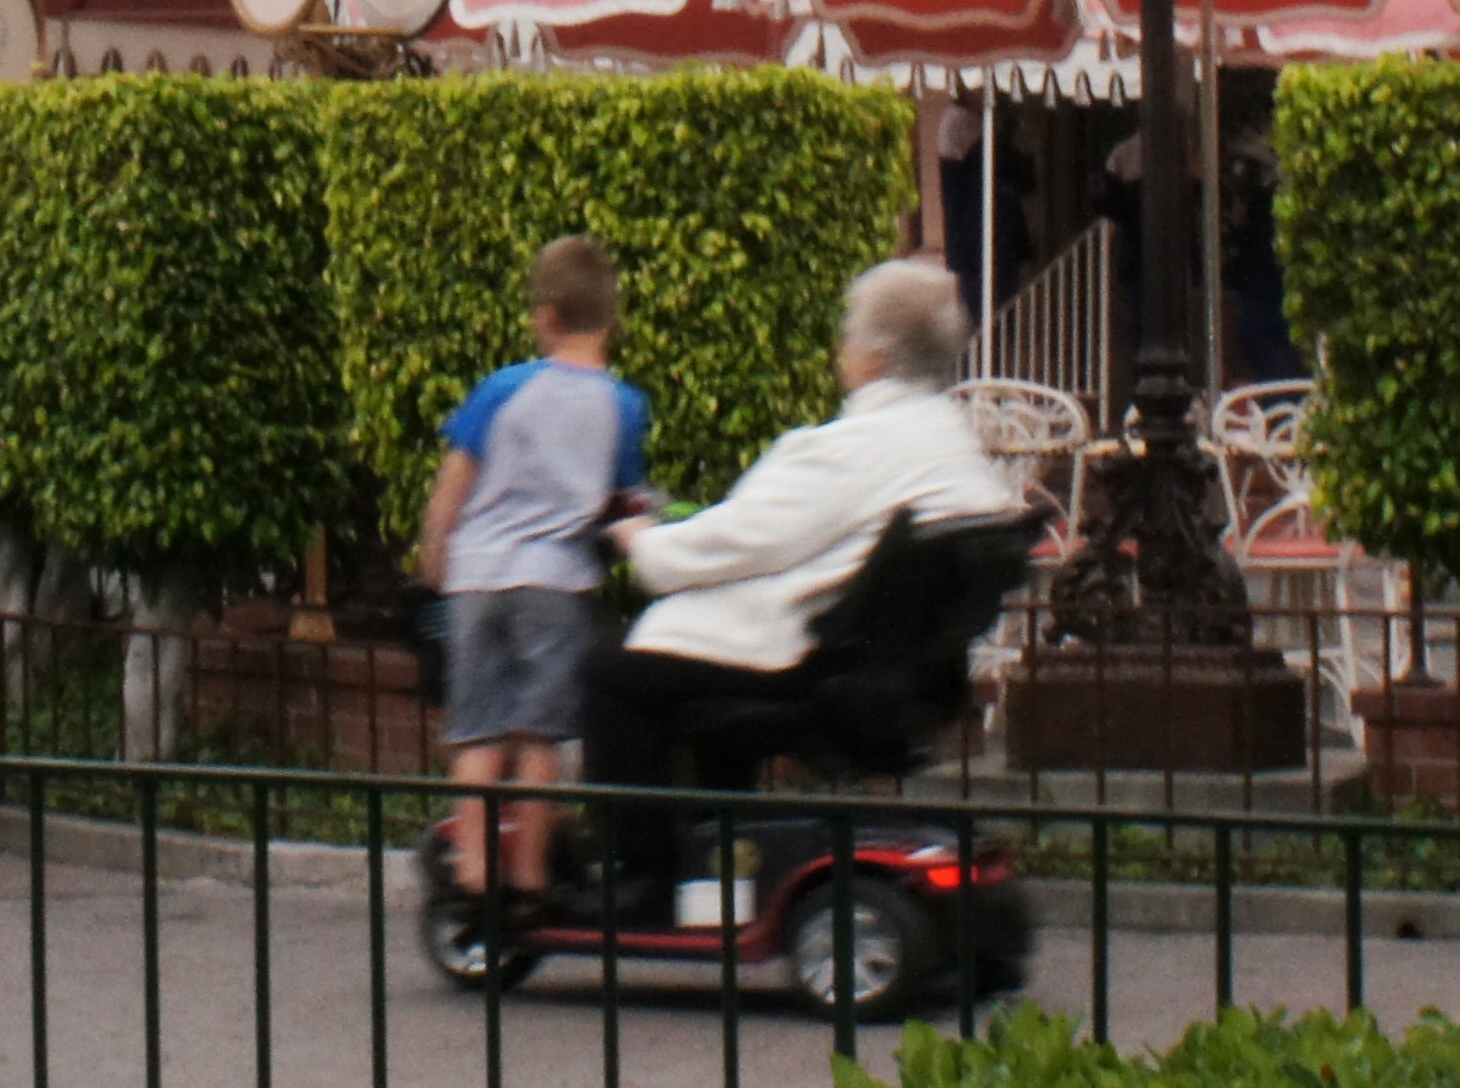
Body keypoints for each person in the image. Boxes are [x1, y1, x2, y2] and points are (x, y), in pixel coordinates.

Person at [581, 257, 1025, 915]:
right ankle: (717, 864)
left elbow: (742, 538)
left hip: (816, 670)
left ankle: (643, 877)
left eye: (848, 336)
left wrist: (640, 541)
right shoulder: (952, 446)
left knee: (611, 673)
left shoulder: (853, 446)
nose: (841, 350)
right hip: (890, 673)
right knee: (694, 675)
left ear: (873, 356)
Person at [416, 235, 648, 910]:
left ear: (544, 317)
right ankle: (530, 877)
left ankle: (472, 875)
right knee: (542, 731)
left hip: (478, 575)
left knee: (479, 729)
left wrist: (435, 555)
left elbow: (453, 483)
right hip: (558, 579)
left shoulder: (503, 389)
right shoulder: (623, 405)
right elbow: (619, 500)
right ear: (609, 320)